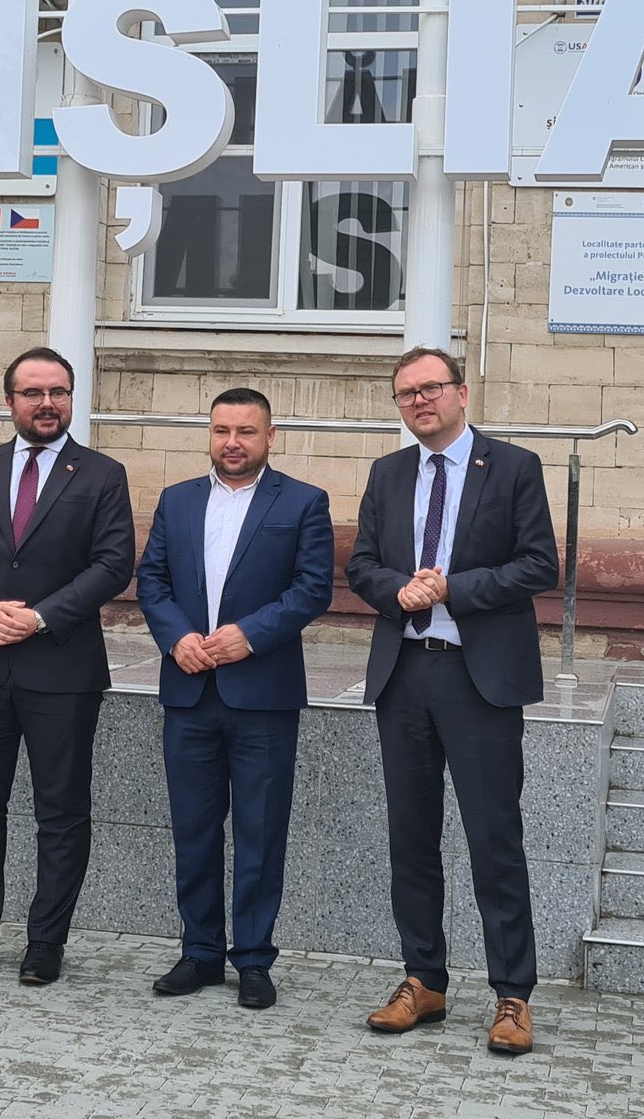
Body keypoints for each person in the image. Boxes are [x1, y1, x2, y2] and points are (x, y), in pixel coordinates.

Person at [345, 347, 558, 1055]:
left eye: (431, 387)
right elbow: (362, 565)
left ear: (462, 393)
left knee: (494, 838)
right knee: (411, 837)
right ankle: (423, 980)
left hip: (478, 678)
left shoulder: (514, 467)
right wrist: (398, 590)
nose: (419, 400)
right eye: (406, 392)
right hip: (404, 672)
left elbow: (539, 564)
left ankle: (513, 994)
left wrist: (452, 589)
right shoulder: (388, 473)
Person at [0, 346, 136, 986]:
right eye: (34, 393)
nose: (48, 403)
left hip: (61, 669)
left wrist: (39, 617)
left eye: (59, 392)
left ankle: (46, 941)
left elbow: (112, 565)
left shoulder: (102, 474)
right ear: (9, 401)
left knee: (61, 811)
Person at [134, 388, 333, 1010]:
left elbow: (312, 588)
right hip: (189, 689)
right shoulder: (177, 499)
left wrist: (249, 635)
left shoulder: (303, 501)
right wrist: (176, 639)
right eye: (222, 430)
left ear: (270, 436)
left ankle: (252, 958)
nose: (233, 442)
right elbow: (152, 580)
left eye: (246, 431)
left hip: (263, 695)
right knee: (193, 831)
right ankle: (199, 952)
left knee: (260, 833)